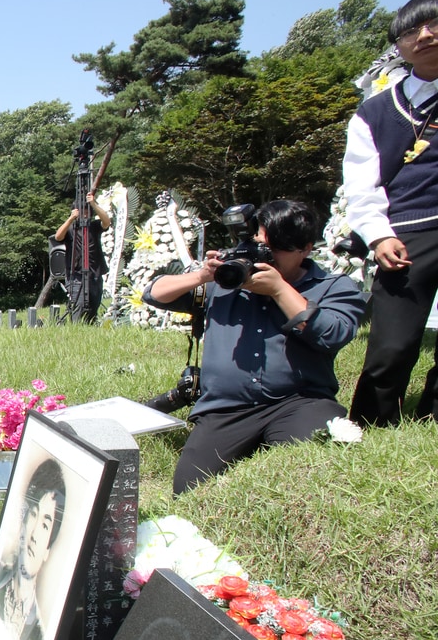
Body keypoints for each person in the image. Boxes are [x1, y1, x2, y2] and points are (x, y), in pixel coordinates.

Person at [143, 200, 366, 494]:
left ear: (306, 249)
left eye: (277, 250)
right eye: (262, 245)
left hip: (298, 402)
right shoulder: (228, 279)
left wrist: (279, 289)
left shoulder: (332, 286)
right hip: (226, 409)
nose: (266, 257)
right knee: (188, 489)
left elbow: (332, 335)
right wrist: (202, 276)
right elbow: (154, 294)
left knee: (309, 470)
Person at [345, 0, 438, 426]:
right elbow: (361, 182)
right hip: (406, 233)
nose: (426, 34)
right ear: (398, 45)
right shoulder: (375, 112)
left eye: (434, 23)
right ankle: (372, 423)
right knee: (392, 343)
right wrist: (378, 233)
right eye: (411, 30)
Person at [0, 458, 66, 640]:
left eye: (45, 525)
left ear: (49, 547)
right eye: (33, 514)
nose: (34, 533)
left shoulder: (40, 629)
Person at [54, 191, 112, 322]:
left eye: (87, 211)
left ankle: (91, 330)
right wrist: (71, 218)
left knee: (93, 306)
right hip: (76, 275)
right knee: (78, 307)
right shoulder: (71, 228)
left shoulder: (94, 226)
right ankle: (77, 331)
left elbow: (106, 221)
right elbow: (58, 236)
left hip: (95, 274)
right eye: (81, 211)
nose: (84, 213)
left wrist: (93, 203)